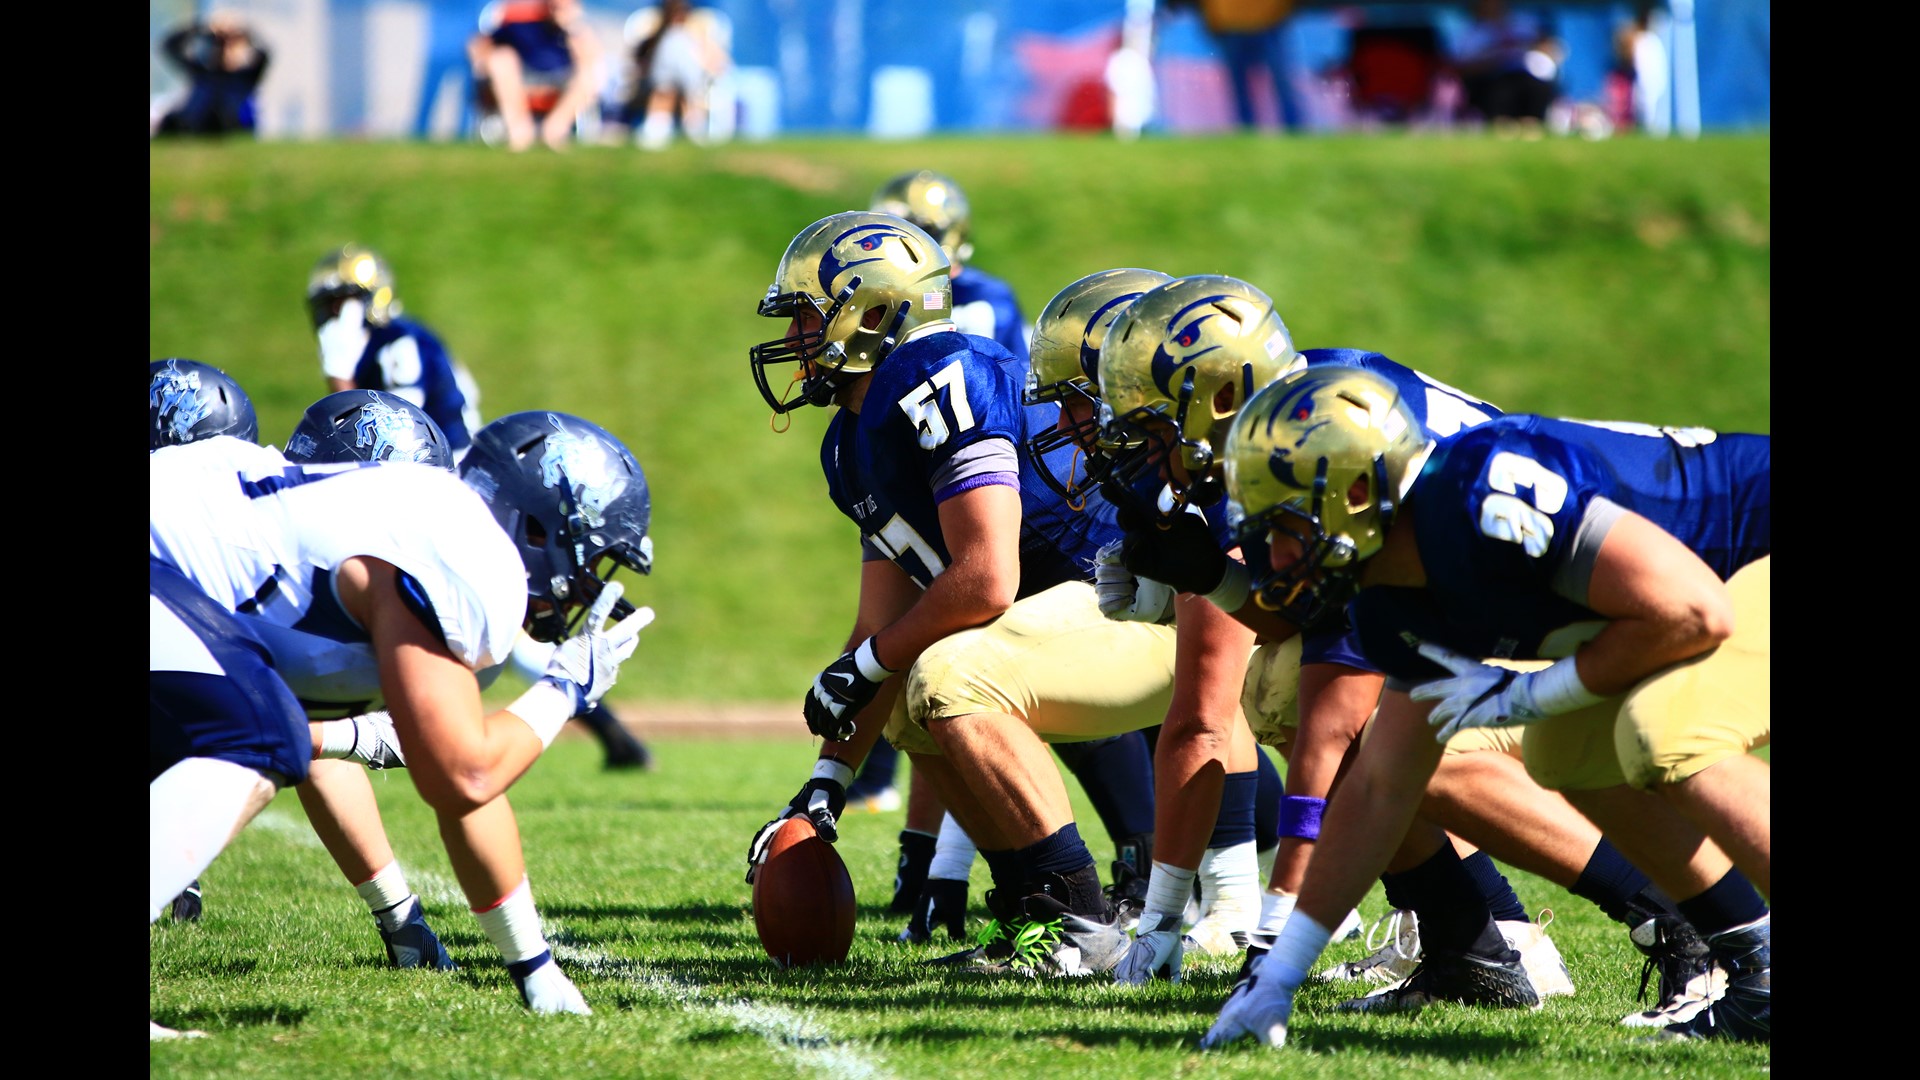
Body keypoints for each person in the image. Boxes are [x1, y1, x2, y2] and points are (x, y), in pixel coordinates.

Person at [1090, 325, 1724, 1022]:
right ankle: (1468, 945)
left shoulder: (1322, 452)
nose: (1144, 455)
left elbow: (1318, 717)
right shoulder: (1299, 426)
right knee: (1325, 712)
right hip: (1564, 598)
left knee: (1390, 738)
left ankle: (1668, 914)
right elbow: (1299, 629)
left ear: (1218, 398)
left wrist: (1273, 940)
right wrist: (1208, 575)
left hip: (1652, 598)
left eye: (1153, 430)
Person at [746, 214, 1233, 978]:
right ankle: (1034, 914)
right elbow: (881, 624)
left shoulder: (937, 370)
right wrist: (825, 784)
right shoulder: (847, 443)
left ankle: (1081, 925)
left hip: (1151, 612)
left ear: (870, 313)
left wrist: (873, 662)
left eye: (808, 316)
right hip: (1069, 629)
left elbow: (986, 577)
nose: (797, 338)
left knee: (944, 674)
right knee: (912, 690)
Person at [152, 410, 657, 1037]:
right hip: (162, 571)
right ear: (536, 525)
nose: (586, 591)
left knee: (263, 725)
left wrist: (536, 970)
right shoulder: (469, 550)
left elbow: (463, 782)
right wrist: (563, 691)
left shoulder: (428, 515)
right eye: (590, 562)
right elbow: (463, 775)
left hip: (173, 576)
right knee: (259, 735)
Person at [473, 0, 602, 152]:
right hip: (523, 79)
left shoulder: (576, 32)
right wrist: (482, 63)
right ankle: (520, 132)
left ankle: (554, 132)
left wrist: (573, 30)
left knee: (588, 75)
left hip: (561, 82)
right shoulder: (522, 24)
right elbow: (480, 45)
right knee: (501, 60)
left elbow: (591, 60)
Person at [625, 0, 730, 150]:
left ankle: (662, 127)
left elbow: (717, 61)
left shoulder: (695, 34)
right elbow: (640, 59)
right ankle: (687, 126)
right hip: (668, 83)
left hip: (688, 82)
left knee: (675, 59)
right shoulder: (659, 36)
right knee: (668, 81)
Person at [1451, 0, 1561, 132]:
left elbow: (1550, 48)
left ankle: (1531, 126)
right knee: (1501, 90)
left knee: (1538, 87)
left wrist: (1529, 47)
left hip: (1526, 77)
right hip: (1490, 80)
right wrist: (1496, 56)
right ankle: (1502, 125)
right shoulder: (1471, 33)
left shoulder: (1523, 24)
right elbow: (1462, 68)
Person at [156, 10, 269, 137]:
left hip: (229, 125)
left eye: (231, 46)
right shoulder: (203, 71)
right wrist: (204, 28)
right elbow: (170, 45)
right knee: (170, 120)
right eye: (222, 46)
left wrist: (241, 30)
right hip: (193, 124)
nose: (226, 50)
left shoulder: (245, 76)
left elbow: (264, 53)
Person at [1196, 0, 1305, 132]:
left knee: (1281, 82)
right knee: (1239, 86)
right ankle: (1247, 130)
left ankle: (1293, 128)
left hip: (1268, 24)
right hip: (1231, 25)